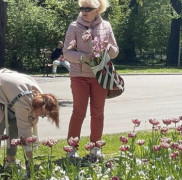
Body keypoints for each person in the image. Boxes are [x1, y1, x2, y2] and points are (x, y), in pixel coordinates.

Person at [0, 68, 59, 167]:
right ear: (41, 106)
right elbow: (25, 132)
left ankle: (10, 160)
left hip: (5, 88)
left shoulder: (40, 95)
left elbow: (29, 121)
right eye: (43, 114)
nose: (42, 116)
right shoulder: (24, 103)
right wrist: (30, 162)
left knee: (15, 125)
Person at [63, 0, 119, 159]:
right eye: (82, 8)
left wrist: (108, 48)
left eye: (88, 8)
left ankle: (96, 148)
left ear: (98, 9)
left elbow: (115, 52)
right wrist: (83, 57)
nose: (84, 11)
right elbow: (67, 53)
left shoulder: (106, 26)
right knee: (79, 111)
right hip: (79, 76)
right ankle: (72, 149)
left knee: (98, 112)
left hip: (100, 75)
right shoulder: (74, 26)